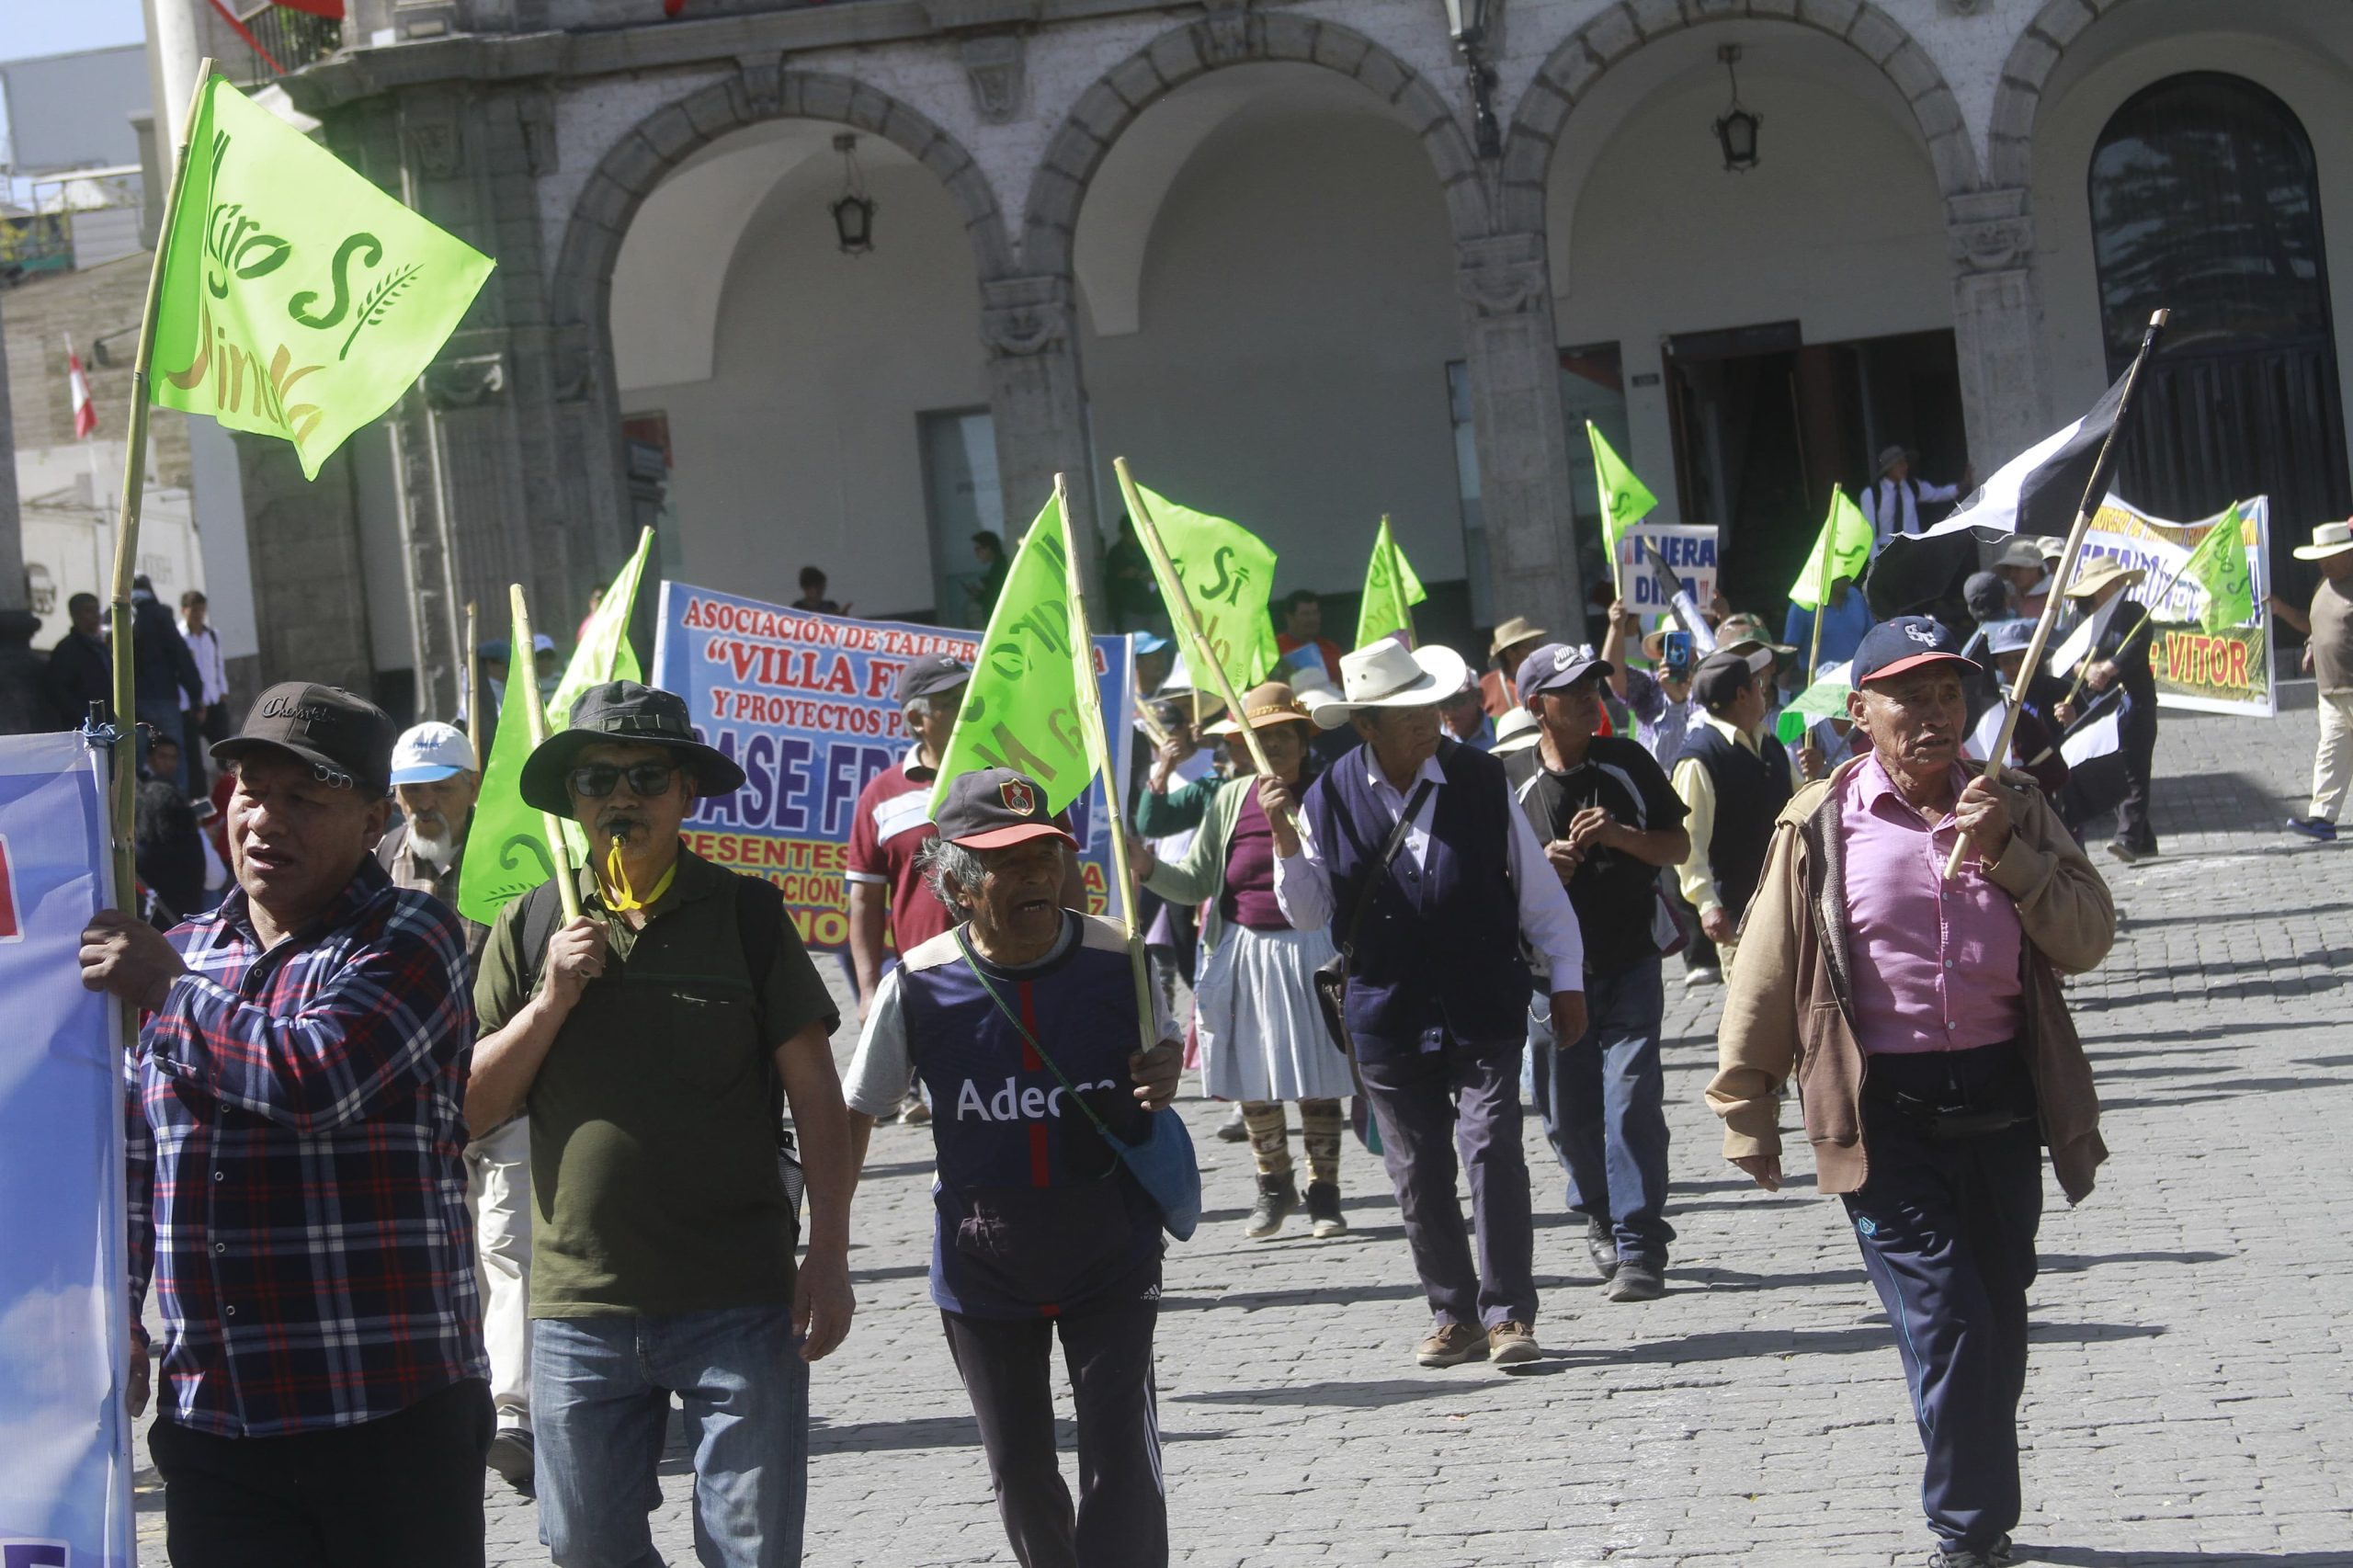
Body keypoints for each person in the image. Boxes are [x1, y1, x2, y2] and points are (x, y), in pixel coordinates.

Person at [1710, 615, 2115, 1568]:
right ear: (1861, 711)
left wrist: (2013, 852)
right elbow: (1766, 967)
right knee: (1950, 1316)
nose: (1935, 714)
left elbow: (2087, 936)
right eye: (1910, 695)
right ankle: (1967, 1533)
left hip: (2001, 1102)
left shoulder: (2011, 796)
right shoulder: (1818, 818)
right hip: (1881, 1111)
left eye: (1948, 693)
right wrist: (1746, 1106)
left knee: (1997, 1314)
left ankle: (1976, 1502)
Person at [81, 682, 489, 1567]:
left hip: (388, 1418)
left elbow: (317, 1075)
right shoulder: (186, 947)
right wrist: (115, 1312)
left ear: (376, 817)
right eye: (250, 792)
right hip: (218, 1426)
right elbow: (132, 1159)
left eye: (304, 799)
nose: (264, 819)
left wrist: (163, 991)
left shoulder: (413, 935)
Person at [465, 681, 856, 1568]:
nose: (621, 797)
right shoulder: (529, 925)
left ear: (686, 794)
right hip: (577, 1306)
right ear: (573, 799)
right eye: (598, 779)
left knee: (750, 1552)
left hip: (739, 1299)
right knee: (582, 1547)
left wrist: (828, 1253)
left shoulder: (747, 914)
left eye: (647, 776)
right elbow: (473, 1106)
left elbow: (817, 1096)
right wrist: (551, 999)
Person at [843, 768, 1183, 1568]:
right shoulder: (919, 984)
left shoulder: (1121, 958)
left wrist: (1162, 1071)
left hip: (1111, 1249)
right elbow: (859, 1108)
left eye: (1046, 856)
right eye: (1009, 862)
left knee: (1120, 1459)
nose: (1037, 875)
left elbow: (1159, 1061)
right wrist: (829, 1247)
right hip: (982, 1265)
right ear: (959, 883)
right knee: (1020, 1469)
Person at [1275, 639, 1588, 1369]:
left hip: (1482, 998)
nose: (1429, 722)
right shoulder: (1327, 796)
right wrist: (1286, 841)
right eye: (1408, 713)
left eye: (1429, 706)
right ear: (1366, 727)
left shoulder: (1480, 779)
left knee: (1492, 1147)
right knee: (1416, 1168)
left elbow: (1535, 887)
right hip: (1384, 1009)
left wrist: (1566, 978)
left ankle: (1509, 1313)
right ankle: (1454, 1314)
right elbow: (1307, 911)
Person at [375, 721, 536, 1487]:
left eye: (442, 785)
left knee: (509, 1249)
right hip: (413, 1102)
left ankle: (514, 1410)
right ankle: (461, 1393)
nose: (426, 801)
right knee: (449, 1257)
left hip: (505, 1089)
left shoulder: (514, 860)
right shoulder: (378, 867)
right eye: (413, 788)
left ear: (473, 787)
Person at [1133, 683, 1351, 1241]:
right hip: (1245, 949)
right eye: (1259, 737)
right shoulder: (1229, 799)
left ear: (1303, 743)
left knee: (1318, 1077)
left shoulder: (1329, 795)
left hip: (1315, 950)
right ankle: (1272, 1185)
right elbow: (1197, 881)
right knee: (1254, 1074)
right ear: (1240, 747)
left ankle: (1324, 1192)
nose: (1272, 746)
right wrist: (1147, 867)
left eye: (1283, 736)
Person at [1506, 643, 1690, 1302]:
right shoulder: (1506, 780)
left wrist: (1619, 837)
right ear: (1536, 709)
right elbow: (1484, 881)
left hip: (1630, 962)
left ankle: (1640, 1243)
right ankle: (1597, 1212)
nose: (1591, 697)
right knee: (1567, 1112)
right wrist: (1534, 876)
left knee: (1632, 1097)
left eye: (1594, 684)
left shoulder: (1628, 763)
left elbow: (1678, 845)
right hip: (1549, 977)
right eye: (1571, 690)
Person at [847, 652, 973, 1127]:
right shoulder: (880, 796)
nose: (968, 706)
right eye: (952, 699)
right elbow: (864, 900)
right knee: (953, 1111)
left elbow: (1061, 871)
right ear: (918, 719)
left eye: (969, 695)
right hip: (931, 982)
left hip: (1014, 968)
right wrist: (865, 990)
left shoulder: (1007, 775)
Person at [1671, 646, 1798, 977]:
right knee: (1753, 1021)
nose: (1764, 689)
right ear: (1742, 695)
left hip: (1788, 904)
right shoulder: (1699, 760)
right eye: (1757, 683)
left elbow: (1804, 803)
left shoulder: (1770, 743)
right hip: (1739, 917)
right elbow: (1689, 842)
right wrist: (1707, 903)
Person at [2051, 557, 2157, 862]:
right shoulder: (2077, 619)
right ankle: (2143, 835)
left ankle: (2128, 837)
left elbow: (2137, 645)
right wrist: (2085, 669)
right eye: (2112, 583)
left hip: (2132, 702)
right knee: (2106, 765)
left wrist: (2109, 669)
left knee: (2134, 766)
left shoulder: (2133, 613)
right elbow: (2062, 657)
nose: (2118, 587)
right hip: (2092, 707)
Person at [2273, 518, 2353, 840]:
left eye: (2329, 558)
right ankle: (2322, 817)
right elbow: (2316, 624)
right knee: (2331, 752)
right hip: (2330, 689)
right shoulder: (2323, 586)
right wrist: (2310, 646)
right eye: (2320, 558)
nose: (2323, 563)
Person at [1973, 621, 2071, 799]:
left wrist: (2072, 721)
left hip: (2059, 790)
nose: (2013, 667)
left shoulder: (2062, 690)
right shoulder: (1995, 705)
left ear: (2035, 658)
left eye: (2019, 658)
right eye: (2006, 661)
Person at [131, 574, 205, 793]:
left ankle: (139, 805)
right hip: (165, 698)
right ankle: (176, 801)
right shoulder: (160, 616)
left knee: (137, 756)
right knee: (175, 754)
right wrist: (195, 697)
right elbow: (180, 656)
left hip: (133, 702)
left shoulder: (118, 615)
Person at [1864, 445, 1967, 549]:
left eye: (1905, 463)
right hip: (1887, 551)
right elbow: (1869, 533)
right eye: (1900, 463)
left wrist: (1963, 484)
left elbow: (1938, 494)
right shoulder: (1872, 494)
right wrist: (1876, 562)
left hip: (1912, 549)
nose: (1905, 467)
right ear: (1889, 468)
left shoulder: (1912, 486)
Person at [179, 588, 232, 789]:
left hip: (213, 700)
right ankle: (199, 795)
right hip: (190, 704)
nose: (198, 615)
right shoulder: (180, 637)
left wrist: (223, 690)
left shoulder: (212, 635)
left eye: (201, 610)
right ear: (184, 611)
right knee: (194, 757)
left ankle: (228, 787)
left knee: (224, 750)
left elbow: (218, 665)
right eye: (194, 610)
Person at [45, 590, 113, 727]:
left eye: (97, 610)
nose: (96, 616)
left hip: (109, 721)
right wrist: (85, 717)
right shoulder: (67, 649)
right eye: (88, 611)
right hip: (84, 725)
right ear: (75, 615)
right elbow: (59, 692)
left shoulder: (100, 646)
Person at [1781, 574, 1873, 672]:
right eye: (1841, 574)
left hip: (1855, 677)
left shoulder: (1856, 597)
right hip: (1817, 680)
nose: (1848, 578)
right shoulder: (1803, 603)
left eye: (1848, 574)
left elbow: (1871, 636)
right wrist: (1783, 685)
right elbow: (1791, 648)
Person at [1478, 616, 1547, 720]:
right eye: (1530, 646)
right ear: (1510, 654)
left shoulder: (1546, 677)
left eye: (1537, 644)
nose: (1536, 650)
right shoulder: (1487, 686)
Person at [1105, 516, 1162, 634]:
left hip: (1157, 607)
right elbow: (1109, 581)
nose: (1134, 537)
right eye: (1131, 533)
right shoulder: (1116, 553)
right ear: (1124, 534)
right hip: (1131, 609)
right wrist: (1124, 575)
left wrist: (1152, 576)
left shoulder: (1151, 548)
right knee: (1136, 647)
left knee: (1161, 645)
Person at [1275, 588, 1344, 684]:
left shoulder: (1331, 649)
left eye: (1315, 613)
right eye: (1305, 614)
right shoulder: (1274, 650)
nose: (1312, 619)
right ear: (1289, 617)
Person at [1990, 537, 2055, 621]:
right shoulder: (2011, 600)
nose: (2012, 574)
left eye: (2018, 568)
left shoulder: (2054, 597)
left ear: (2034, 568)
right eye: (2009, 569)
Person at [1438, 669, 1495, 750]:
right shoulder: (1432, 747)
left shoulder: (1502, 730)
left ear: (1478, 696)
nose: (1450, 710)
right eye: (1442, 703)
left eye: (1457, 700)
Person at [970, 531, 1011, 624]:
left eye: (977, 549)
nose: (976, 553)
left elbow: (994, 599)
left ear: (988, 548)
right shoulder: (999, 565)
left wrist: (980, 595)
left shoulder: (1000, 568)